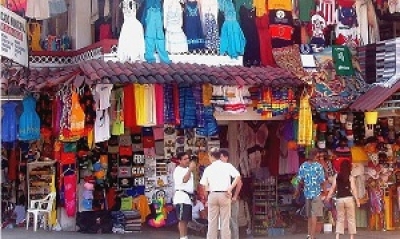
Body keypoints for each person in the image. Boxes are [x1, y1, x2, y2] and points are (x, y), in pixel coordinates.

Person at [199, 147, 241, 239]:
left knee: (212, 223)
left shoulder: (208, 168)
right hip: (225, 195)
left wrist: (206, 198)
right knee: (225, 222)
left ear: (211, 156)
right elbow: (238, 176)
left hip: (212, 195)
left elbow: (203, 185)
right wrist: (230, 188)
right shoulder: (227, 165)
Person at [295, 148, 326, 239]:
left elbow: (298, 180)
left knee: (309, 216)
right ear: (315, 155)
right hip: (316, 194)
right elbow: (322, 181)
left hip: (307, 194)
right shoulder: (318, 166)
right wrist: (325, 192)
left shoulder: (303, 166)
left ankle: (309, 235)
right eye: (317, 155)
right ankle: (312, 237)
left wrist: (297, 190)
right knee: (314, 215)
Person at [325, 160, 360, 239]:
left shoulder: (336, 176)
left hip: (339, 199)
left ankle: (337, 236)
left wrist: (328, 197)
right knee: (351, 218)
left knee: (340, 218)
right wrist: (357, 200)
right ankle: (351, 237)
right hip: (349, 199)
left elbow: (333, 188)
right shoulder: (350, 177)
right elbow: (354, 189)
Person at [173, 152, 197, 239]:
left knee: (186, 220)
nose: (187, 160)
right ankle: (182, 237)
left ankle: (185, 236)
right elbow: (184, 180)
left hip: (188, 198)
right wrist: (190, 169)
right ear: (179, 161)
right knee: (182, 220)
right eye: (185, 159)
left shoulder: (188, 170)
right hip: (181, 197)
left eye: (188, 158)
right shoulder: (178, 170)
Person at [220, 149, 243, 239]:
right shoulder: (220, 169)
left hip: (232, 199)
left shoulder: (230, 168)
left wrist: (235, 196)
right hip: (223, 199)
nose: (220, 159)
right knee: (224, 221)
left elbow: (240, 183)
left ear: (226, 157)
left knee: (232, 221)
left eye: (221, 156)